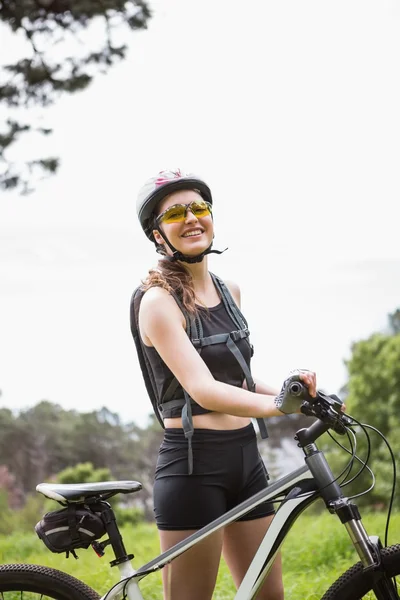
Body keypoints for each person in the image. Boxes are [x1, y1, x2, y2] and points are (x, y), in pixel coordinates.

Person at [131, 168, 317, 600]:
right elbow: (203, 389)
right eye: (175, 213)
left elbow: (240, 381)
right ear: (158, 235)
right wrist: (278, 407)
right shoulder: (158, 303)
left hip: (246, 459)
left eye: (198, 207)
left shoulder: (229, 290)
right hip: (194, 467)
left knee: (267, 596)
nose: (191, 218)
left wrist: (302, 398)